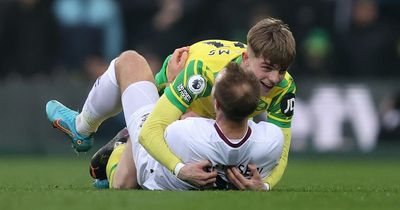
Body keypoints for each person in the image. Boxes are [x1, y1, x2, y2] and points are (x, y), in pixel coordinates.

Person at [46, 17, 296, 190]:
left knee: (128, 181)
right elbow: (155, 127)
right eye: (267, 68)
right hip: (174, 97)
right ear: (245, 59)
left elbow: (281, 152)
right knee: (129, 176)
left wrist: (263, 185)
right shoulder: (200, 69)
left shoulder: (284, 87)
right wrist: (172, 90)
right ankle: (85, 128)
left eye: (282, 70)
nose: (274, 79)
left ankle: (115, 147)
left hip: (204, 129)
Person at [92, 62, 284, 190]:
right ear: (254, 107)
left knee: (131, 62)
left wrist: (172, 83)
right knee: (123, 183)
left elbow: (153, 131)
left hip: (154, 172)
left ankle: (87, 128)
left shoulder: (185, 132)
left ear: (216, 104)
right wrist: (264, 187)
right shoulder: (272, 141)